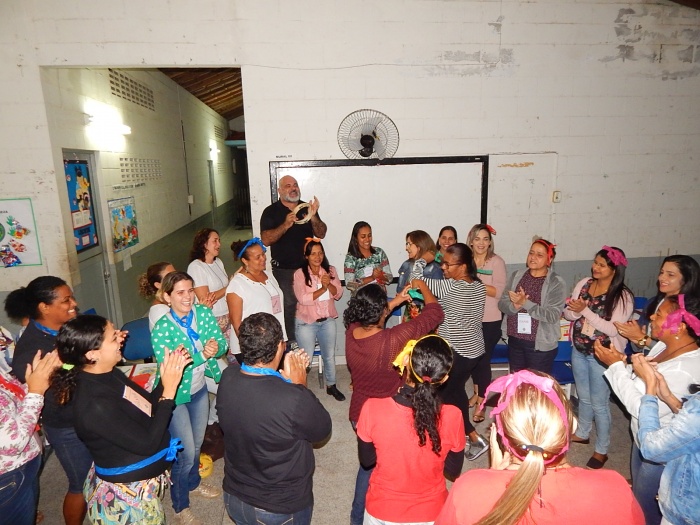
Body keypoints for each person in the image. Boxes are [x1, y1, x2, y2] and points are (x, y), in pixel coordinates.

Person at [435, 370, 644, 525]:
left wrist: (492, 478)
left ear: (499, 435)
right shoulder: (615, 488)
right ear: (571, 425)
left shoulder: (469, 489)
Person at [52, 315, 192, 525]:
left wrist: (166, 380)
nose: (122, 338)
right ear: (92, 354)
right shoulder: (94, 404)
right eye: (113, 337)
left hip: (140, 487)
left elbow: (148, 407)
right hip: (125, 502)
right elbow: (148, 444)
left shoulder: (110, 374)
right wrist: (169, 393)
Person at [217, 313, 332, 525]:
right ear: (280, 347)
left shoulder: (227, 377)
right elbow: (322, 430)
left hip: (234, 497)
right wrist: (299, 386)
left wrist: (285, 383)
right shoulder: (293, 398)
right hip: (278, 508)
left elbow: (261, 398)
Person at [595, 294, 700, 525]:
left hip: (660, 452)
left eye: (659, 314)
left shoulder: (684, 369)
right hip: (642, 435)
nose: (651, 317)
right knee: (638, 492)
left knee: (646, 510)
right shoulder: (664, 345)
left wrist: (615, 367)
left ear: (680, 327)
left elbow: (640, 406)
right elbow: (641, 384)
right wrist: (625, 365)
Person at [344, 281, 443, 525]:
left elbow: (374, 314)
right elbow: (435, 313)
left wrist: (397, 300)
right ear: (380, 311)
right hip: (388, 417)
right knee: (386, 469)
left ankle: (356, 518)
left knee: (368, 466)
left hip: (359, 414)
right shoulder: (393, 338)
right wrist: (423, 287)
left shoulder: (351, 330)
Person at [356, 335, 465, 524]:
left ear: (406, 360)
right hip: (430, 513)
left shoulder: (372, 408)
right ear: (444, 378)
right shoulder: (453, 416)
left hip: (382, 510)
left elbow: (367, 461)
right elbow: (453, 471)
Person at [8, 276, 89, 525]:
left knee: (98, 473)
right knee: (81, 483)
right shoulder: (32, 352)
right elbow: (54, 396)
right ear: (44, 307)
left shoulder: (66, 327)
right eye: (66, 300)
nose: (74, 304)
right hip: (66, 425)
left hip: (87, 413)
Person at [150, 272, 228, 524]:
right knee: (185, 452)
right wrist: (203, 354)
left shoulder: (202, 313)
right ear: (167, 297)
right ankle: (180, 505)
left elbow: (221, 343)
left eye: (190, 290)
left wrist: (216, 347)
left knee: (197, 443)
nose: (188, 297)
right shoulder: (162, 329)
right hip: (174, 395)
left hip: (198, 389)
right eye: (180, 292)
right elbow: (172, 365)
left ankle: (193, 483)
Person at [412, 242, 489, 460]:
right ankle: (472, 437)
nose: (443, 267)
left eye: (448, 264)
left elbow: (416, 280)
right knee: (456, 391)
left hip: (458, 353)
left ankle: (463, 439)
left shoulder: (452, 287)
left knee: (441, 397)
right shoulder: (478, 286)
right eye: (442, 262)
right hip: (474, 351)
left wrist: (423, 259)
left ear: (463, 266)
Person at [563, 246, 634, 470]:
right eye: (595, 262)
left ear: (615, 269)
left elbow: (613, 329)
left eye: (602, 265)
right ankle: (583, 433)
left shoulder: (622, 296)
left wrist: (584, 311)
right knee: (583, 397)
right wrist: (575, 311)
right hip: (580, 349)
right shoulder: (584, 283)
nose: (596, 267)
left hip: (603, 356)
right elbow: (568, 314)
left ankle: (602, 450)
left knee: (600, 404)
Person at [260, 175, 327, 344]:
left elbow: (321, 233)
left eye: (295, 185)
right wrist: (285, 224)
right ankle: (291, 342)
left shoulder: (306, 208)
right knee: (290, 303)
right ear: (279, 190)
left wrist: (313, 215)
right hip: (284, 270)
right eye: (288, 185)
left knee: (312, 302)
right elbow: (266, 240)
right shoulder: (271, 212)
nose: (293, 188)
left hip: (307, 269)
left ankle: (309, 340)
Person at [633, 356, 700, 525]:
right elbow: (694, 430)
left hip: (686, 512)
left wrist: (650, 389)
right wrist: (668, 396)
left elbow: (650, 449)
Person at [0, 350, 60, 525]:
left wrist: (36, 380)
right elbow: (13, 443)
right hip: (9, 475)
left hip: (24, 463)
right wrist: (36, 391)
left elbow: (10, 405)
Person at [498, 238, 567, 374]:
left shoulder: (556, 282)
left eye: (539, 255)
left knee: (536, 384)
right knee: (517, 383)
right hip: (515, 340)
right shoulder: (517, 276)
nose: (533, 257)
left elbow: (552, 315)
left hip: (539, 346)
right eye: (531, 253)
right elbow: (502, 303)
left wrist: (526, 303)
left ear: (549, 259)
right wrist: (514, 306)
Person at [293, 238, 345, 401]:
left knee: (329, 355)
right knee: (306, 359)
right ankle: (299, 390)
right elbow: (302, 299)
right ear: (306, 256)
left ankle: (331, 385)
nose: (317, 257)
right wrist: (322, 288)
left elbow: (338, 293)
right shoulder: (300, 274)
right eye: (313, 254)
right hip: (306, 323)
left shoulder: (330, 270)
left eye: (320, 253)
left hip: (327, 321)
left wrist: (328, 285)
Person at [615, 255, 700, 353]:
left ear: (687, 279)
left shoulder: (690, 310)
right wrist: (637, 339)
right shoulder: (652, 302)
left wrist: (643, 339)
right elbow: (640, 346)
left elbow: (681, 352)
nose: (661, 278)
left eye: (670, 275)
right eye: (662, 272)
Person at [466, 224, 507, 423]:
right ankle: (476, 393)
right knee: (473, 359)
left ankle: (482, 402)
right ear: (471, 241)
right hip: (469, 317)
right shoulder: (466, 261)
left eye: (485, 239)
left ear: (490, 242)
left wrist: (476, 284)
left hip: (490, 319)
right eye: (477, 238)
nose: (481, 243)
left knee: (482, 360)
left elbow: (499, 292)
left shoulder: (496, 262)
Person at [226, 238, 287, 361]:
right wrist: (251, 349)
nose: (263, 258)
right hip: (254, 348)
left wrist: (282, 339)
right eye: (257, 257)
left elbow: (278, 311)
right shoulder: (237, 284)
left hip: (274, 341)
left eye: (263, 254)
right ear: (245, 261)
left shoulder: (269, 276)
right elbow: (236, 321)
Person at [187, 229, 231, 337]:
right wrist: (230, 286)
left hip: (228, 315)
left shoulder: (218, 262)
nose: (219, 244)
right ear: (204, 244)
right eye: (215, 241)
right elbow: (206, 299)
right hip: (212, 318)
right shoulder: (196, 267)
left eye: (219, 240)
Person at [396, 230, 443, 323]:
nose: (406, 248)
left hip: (427, 315)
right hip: (410, 313)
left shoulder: (435, 268)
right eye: (406, 244)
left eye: (409, 244)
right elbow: (399, 290)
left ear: (419, 245)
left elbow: (438, 298)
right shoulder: (406, 264)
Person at [344, 221, 393, 291]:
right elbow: (349, 284)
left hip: (380, 295)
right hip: (362, 297)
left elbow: (390, 278)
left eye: (369, 235)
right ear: (355, 238)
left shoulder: (379, 253)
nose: (367, 239)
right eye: (363, 236)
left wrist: (380, 276)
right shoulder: (351, 258)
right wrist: (372, 278)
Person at [138, 261, 176, 330]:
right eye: (170, 277)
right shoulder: (160, 312)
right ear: (158, 285)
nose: (177, 278)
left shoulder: (173, 300)